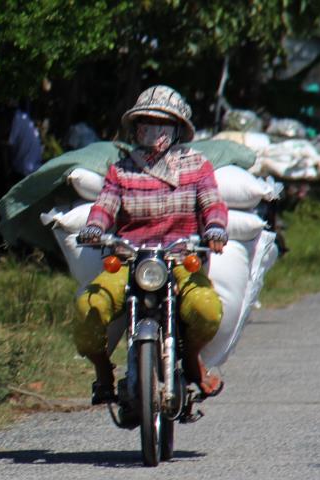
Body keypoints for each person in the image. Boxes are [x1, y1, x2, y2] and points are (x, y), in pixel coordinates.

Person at [75, 85, 229, 404]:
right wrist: (94, 227)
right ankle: (104, 373)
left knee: (207, 310)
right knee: (87, 309)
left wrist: (215, 229)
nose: (153, 130)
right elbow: (105, 205)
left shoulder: (196, 167)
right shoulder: (121, 170)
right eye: (146, 122)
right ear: (136, 128)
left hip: (180, 259)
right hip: (131, 261)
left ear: (177, 129)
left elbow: (212, 204)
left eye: (162, 123)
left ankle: (191, 358)